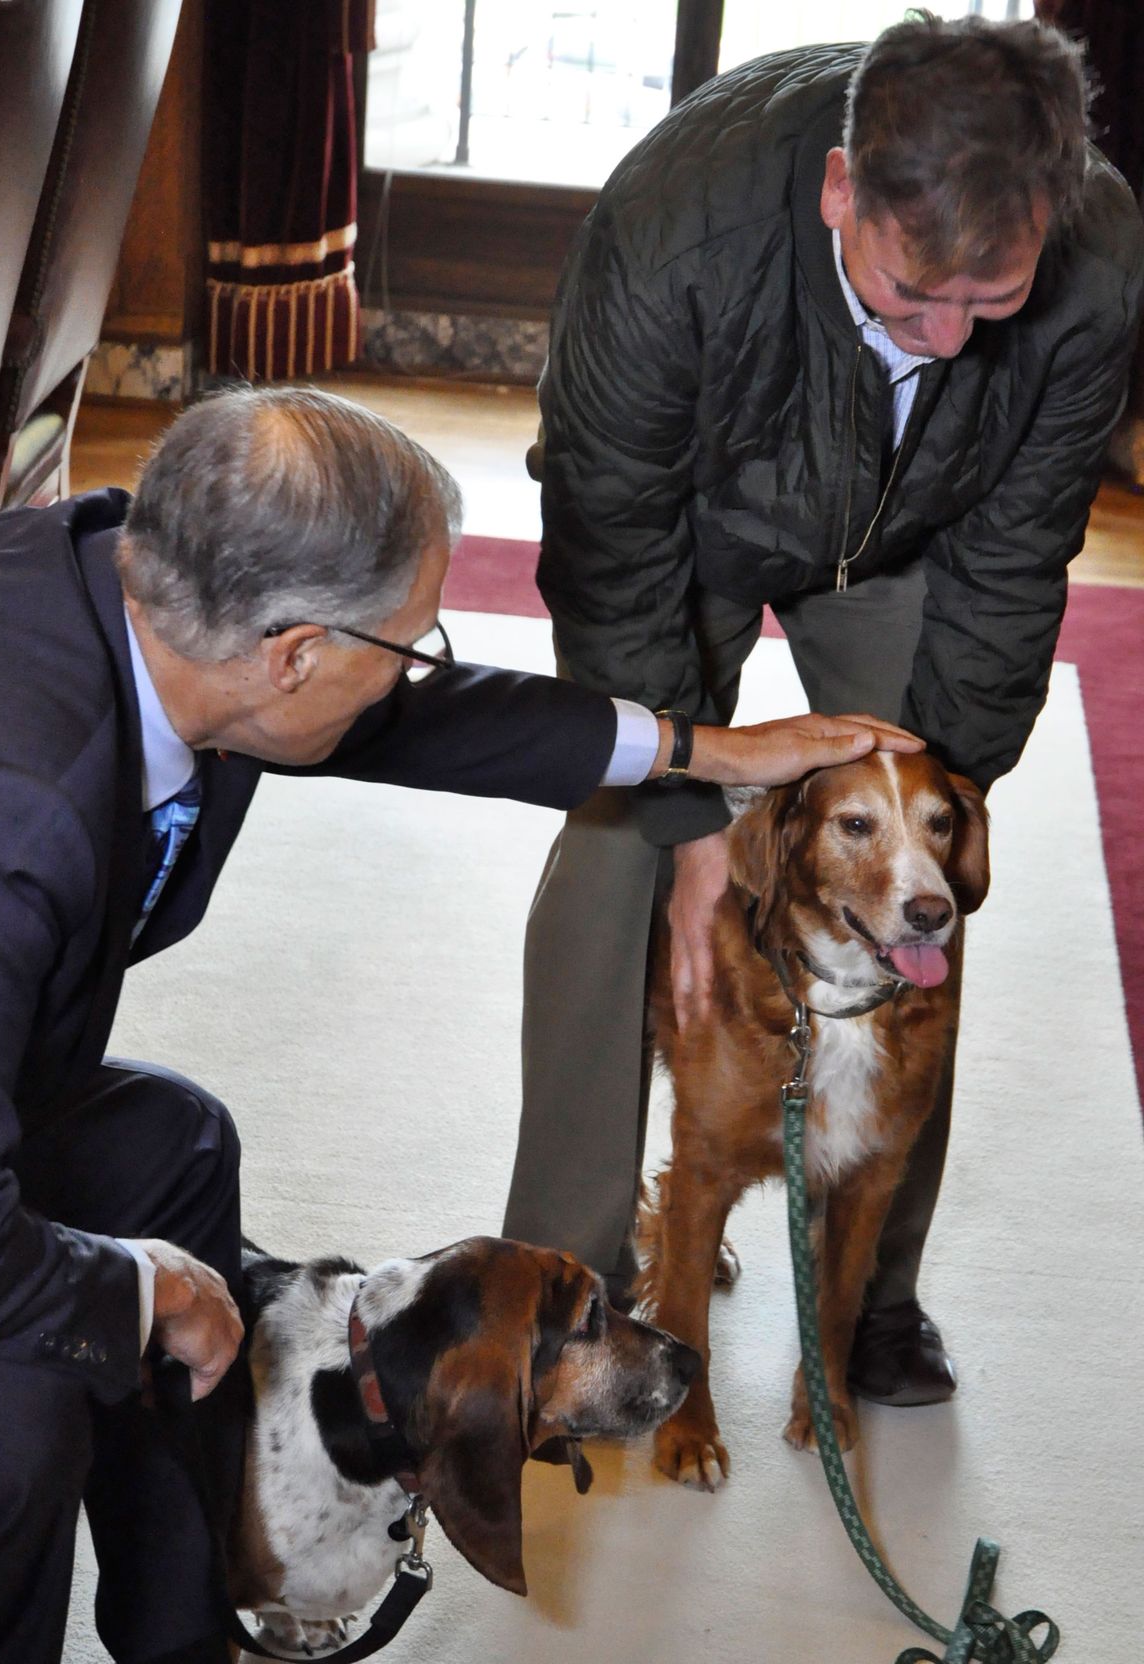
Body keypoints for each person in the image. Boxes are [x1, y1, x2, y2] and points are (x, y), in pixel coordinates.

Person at [0, 384, 919, 1664]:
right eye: (408, 643)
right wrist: (141, 1286)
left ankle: (181, 1636)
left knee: (176, 1145)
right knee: (8, 1431)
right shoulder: (5, 818)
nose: (420, 668)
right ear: (294, 653)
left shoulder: (142, 585)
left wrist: (707, 750)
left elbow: (427, 720)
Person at [503, 11, 1144, 1409]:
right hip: (693, 529)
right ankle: (569, 1281)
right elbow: (612, 554)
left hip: (920, 533)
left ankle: (872, 1295)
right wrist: (689, 819)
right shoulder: (675, 231)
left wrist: (928, 808)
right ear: (841, 189)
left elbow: (1019, 556)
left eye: (990, 306)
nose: (945, 338)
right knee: (618, 843)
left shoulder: (1098, 257)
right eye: (914, 297)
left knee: (914, 888)